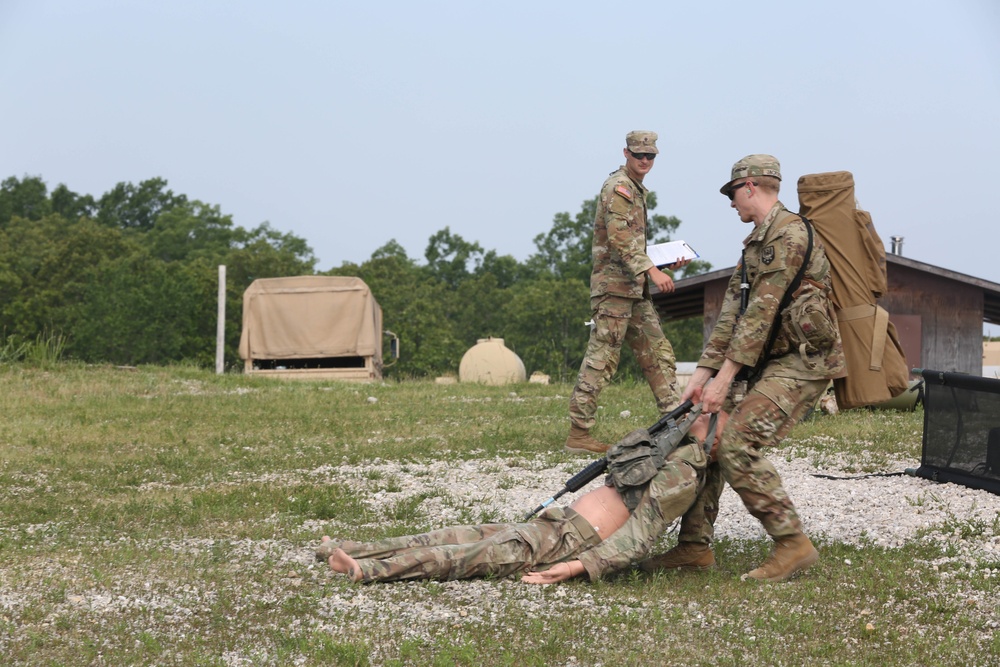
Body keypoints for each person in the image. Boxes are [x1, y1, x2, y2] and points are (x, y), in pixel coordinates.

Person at [639, 154, 846, 583]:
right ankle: (694, 547)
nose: (731, 203)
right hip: (770, 361)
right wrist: (699, 379)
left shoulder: (787, 237)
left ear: (750, 186)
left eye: (733, 193)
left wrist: (725, 380)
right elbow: (733, 314)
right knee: (707, 431)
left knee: (734, 443)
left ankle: (792, 544)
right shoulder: (756, 242)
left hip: (802, 362)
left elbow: (761, 317)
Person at [317, 404, 728, 584]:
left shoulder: (683, 472)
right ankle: (352, 547)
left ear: (712, 432)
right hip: (560, 524)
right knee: (459, 534)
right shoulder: (669, 450)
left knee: (468, 556)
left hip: (570, 542)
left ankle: (365, 570)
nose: (693, 410)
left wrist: (576, 568)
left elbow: (638, 538)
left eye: (707, 413)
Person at [566, 130, 685, 454]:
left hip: (634, 289)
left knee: (658, 353)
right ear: (626, 153)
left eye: (650, 156)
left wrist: (661, 264)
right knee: (602, 358)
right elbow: (619, 237)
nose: (645, 161)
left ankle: (676, 421)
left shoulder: (635, 188)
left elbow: (631, 242)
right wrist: (651, 270)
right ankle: (579, 433)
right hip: (615, 288)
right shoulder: (619, 188)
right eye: (639, 155)